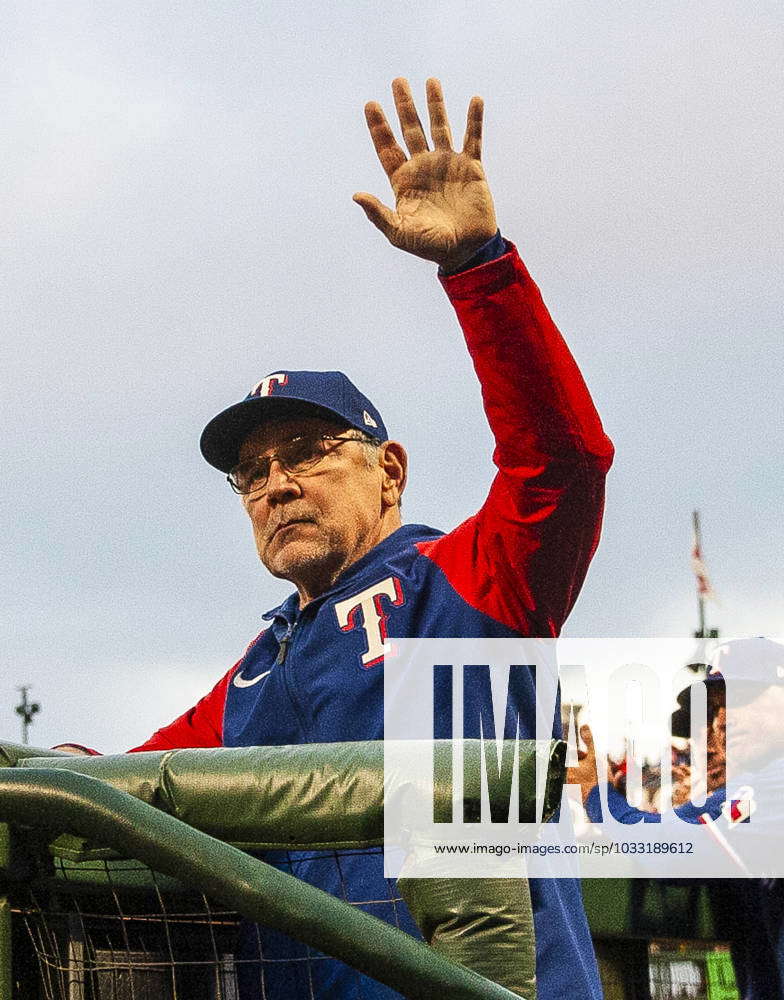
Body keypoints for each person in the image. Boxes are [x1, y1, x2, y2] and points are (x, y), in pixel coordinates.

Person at [64, 77, 614, 997]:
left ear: (389, 471)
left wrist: (479, 267)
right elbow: (124, 781)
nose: (275, 483)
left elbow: (563, 462)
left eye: (310, 450)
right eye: (251, 474)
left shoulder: (466, 580)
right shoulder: (253, 673)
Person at [568, 638, 784, 1000]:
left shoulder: (771, 788)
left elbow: (671, 847)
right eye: (714, 710)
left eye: (742, 697)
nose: (722, 723)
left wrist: (598, 795)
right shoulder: (744, 790)